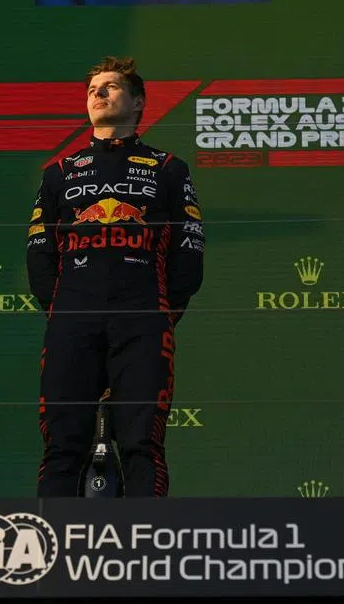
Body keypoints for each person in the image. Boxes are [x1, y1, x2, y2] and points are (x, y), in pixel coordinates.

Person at [27, 56, 205, 497]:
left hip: (143, 320)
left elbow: (189, 253)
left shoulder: (168, 168)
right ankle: (56, 556)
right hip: (72, 320)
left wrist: (159, 313)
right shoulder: (59, 172)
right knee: (62, 447)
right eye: (92, 89)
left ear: (139, 101)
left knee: (142, 445)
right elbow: (39, 252)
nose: (98, 93)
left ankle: (145, 554)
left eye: (110, 86)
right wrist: (65, 310)